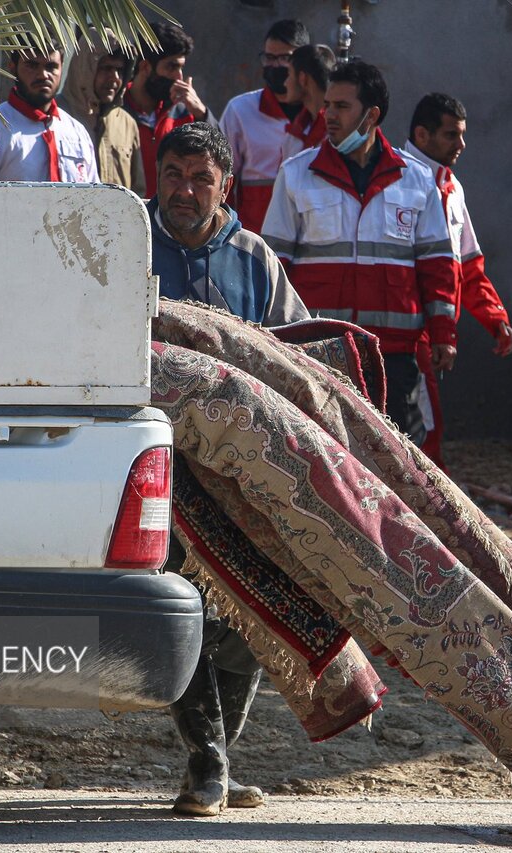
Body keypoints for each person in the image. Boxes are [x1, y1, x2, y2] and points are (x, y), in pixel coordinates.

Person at [151, 123, 308, 817]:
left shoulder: (255, 258)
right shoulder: (127, 246)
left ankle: (215, 757)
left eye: (200, 179)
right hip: (155, 466)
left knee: (250, 611)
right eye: (174, 174)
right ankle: (208, 763)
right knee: (182, 609)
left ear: (224, 187)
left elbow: (293, 359)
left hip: (244, 473)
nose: (185, 190)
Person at [262, 61, 457, 445]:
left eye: (341, 106)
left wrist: (443, 334)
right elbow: (272, 264)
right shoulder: (296, 173)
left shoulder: (416, 179)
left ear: (372, 115)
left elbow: (437, 265)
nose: (328, 115)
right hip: (319, 351)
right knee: (323, 457)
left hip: (394, 355)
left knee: (398, 461)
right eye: (328, 105)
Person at [404, 93, 512, 466]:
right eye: (452, 135)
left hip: (433, 333)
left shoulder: (451, 187)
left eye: (461, 135)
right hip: (406, 332)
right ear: (422, 135)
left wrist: (494, 318)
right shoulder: (399, 180)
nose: (462, 145)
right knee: (420, 433)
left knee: (423, 428)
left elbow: (467, 267)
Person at [0, 44, 98, 183]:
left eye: (51, 66)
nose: (43, 75)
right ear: (13, 68)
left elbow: (94, 201)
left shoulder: (77, 133)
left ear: (62, 68)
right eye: (32, 66)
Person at [217, 19, 311, 233]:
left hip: (311, 238)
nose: (276, 66)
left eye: (285, 58)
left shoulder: (322, 114)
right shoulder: (240, 110)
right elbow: (221, 178)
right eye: (269, 57)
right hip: (255, 237)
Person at [123, 20, 212, 198]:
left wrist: (202, 114)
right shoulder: (117, 112)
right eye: (172, 66)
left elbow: (217, 159)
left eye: (181, 68)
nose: (179, 77)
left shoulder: (185, 111)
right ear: (145, 67)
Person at [56, 30, 145, 196]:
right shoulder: (55, 116)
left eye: (119, 70)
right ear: (85, 68)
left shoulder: (126, 123)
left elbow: (137, 193)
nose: (114, 78)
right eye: (106, 68)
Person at [278, 44, 335, 163]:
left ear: (303, 79)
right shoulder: (297, 130)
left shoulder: (337, 130)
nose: (285, 83)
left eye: (289, 74)